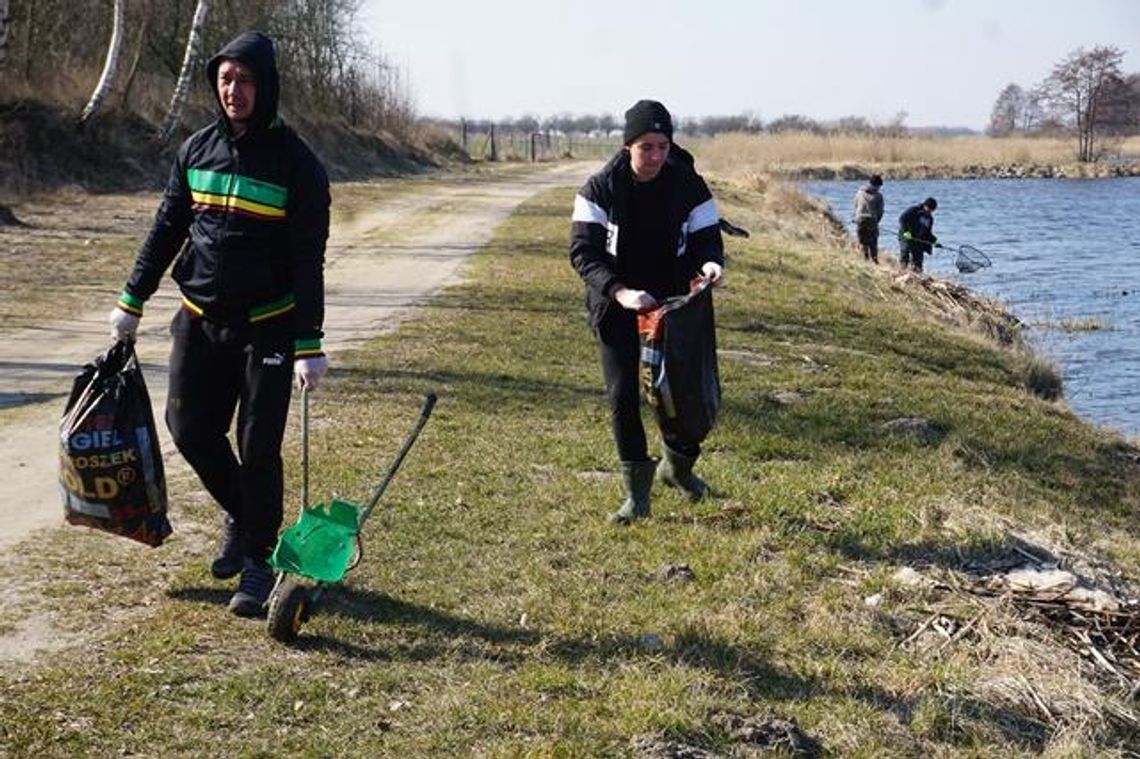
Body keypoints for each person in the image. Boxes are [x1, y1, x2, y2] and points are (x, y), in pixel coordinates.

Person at [108, 31, 331, 617]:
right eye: (226, 79)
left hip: (271, 328)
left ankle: (258, 563)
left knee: (258, 447)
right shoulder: (197, 150)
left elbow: (309, 260)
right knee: (187, 426)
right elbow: (165, 229)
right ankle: (247, 518)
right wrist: (133, 299)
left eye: (246, 80)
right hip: (200, 319)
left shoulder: (299, 166)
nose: (233, 90)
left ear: (268, 87)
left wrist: (310, 342)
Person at [569, 99, 725, 524]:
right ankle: (637, 495)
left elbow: (707, 237)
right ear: (627, 147)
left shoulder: (689, 184)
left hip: (674, 303)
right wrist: (620, 292)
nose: (655, 156)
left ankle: (678, 469)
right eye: (646, 147)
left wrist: (711, 263)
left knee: (684, 391)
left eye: (662, 146)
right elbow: (583, 253)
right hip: (616, 301)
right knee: (623, 396)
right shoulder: (599, 188)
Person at [898, 197, 938, 272]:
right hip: (905, 235)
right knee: (905, 251)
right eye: (929, 209)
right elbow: (902, 219)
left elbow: (928, 233)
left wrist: (935, 241)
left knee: (918, 259)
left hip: (917, 239)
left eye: (932, 210)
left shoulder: (929, 219)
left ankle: (917, 273)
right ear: (925, 206)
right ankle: (902, 270)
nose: (930, 212)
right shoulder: (914, 210)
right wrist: (906, 232)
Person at [852, 174, 884, 263]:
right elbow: (880, 211)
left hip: (859, 219)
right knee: (873, 242)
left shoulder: (859, 192)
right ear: (877, 185)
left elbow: (855, 205)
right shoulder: (878, 196)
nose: (879, 188)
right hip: (871, 220)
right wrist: (877, 221)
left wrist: (855, 217)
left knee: (862, 242)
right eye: (879, 186)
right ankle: (874, 261)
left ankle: (864, 260)